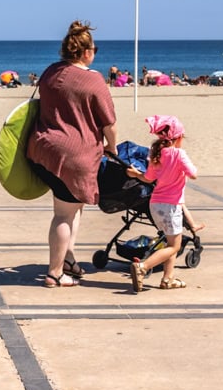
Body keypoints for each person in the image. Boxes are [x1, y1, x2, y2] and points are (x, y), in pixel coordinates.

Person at [26, 21, 118, 288]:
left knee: (74, 207)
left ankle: (67, 259)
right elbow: (109, 124)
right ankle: (55, 272)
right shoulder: (93, 80)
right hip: (73, 157)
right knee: (63, 214)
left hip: (42, 150)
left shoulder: (51, 72)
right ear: (87, 51)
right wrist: (112, 146)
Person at [125, 115, 197, 291]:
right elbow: (193, 173)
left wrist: (135, 174)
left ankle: (168, 279)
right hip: (170, 207)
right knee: (174, 246)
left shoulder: (156, 154)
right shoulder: (179, 154)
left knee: (169, 242)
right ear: (179, 138)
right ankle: (142, 267)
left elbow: (148, 178)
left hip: (155, 204)